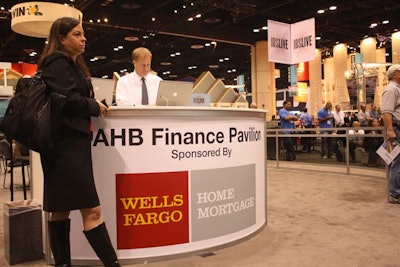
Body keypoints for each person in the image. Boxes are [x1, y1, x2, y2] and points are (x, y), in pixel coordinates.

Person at [38, 17, 120, 266]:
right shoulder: (57, 62)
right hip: (63, 145)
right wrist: (93, 106)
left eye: (82, 34)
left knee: (62, 209)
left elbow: (73, 97)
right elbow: (68, 100)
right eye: (76, 34)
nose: (83, 38)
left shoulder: (73, 65)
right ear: (61, 39)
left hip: (72, 144)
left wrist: (95, 103)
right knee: (88, 210)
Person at [381, 64, 400, 204]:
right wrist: (390, 129)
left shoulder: (396, 89)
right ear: (394, 74)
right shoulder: (391, 89)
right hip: (397, 128)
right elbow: (386, 112)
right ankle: (395, 193)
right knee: (397, 161)